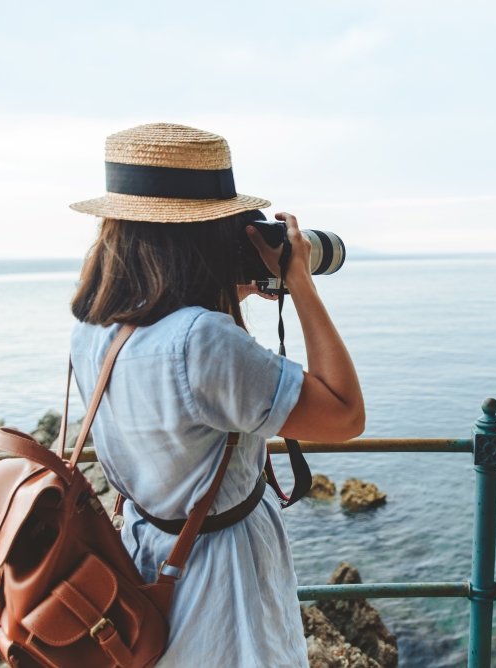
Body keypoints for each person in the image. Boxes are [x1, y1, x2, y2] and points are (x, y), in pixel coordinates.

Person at [67, 123, 365, 667]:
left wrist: (218, 294)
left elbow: (190, 400)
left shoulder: (92, 330)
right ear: (206, 232)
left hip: (145, 559)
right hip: (222, 582)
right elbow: (345, 414)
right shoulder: (204, 341)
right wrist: (299, 283)